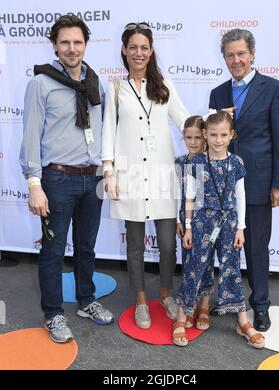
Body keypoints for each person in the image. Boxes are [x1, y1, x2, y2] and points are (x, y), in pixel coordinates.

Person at [19, 15, 114, 343]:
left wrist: (106, 169)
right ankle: (54, 314)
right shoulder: (40, 83)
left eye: (77, 42)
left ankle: (87, 301)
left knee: (87, 247)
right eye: (65, 42)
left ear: (85, 44)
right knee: (53, 250)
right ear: (55, 46)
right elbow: (31, 135)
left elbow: (99, 130)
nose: (72, 49)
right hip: (57, 180)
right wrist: (34, 184)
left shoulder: (94, 81)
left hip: (93, 180)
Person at [101, 22, 190, 329]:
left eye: (144, 47)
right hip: (130, 176)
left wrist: (213, 123)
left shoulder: (164, 84)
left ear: (152, 51)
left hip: (162, 175)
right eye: (133, 47)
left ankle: (165, 293)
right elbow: (108, 132)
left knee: (167, 244)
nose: (139, 53)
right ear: (124, 51)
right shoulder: (115, 89)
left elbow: (184, 119)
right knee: (135, 245)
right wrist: (109, 172)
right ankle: (140, 298)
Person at [209, 29, 279, 332]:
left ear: (252, 54)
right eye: (230, 55)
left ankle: (261, 305)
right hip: (221, 185)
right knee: (223, 247)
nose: (236, 59)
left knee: (256, 247)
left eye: (241, 53)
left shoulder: (274, 89)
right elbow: (213, 140)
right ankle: (228, 299)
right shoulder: (218, 94)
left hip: (257, 182)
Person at [173, 111, 265, 349]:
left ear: (231, 135)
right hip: (202, 222)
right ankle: (182, 316)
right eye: (213, 134)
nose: (218, 140)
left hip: (229, 224)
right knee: (194, 267)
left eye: (224, 134)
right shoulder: (196, 163)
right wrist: (190, 227)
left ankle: (242, 321)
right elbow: (190, 198)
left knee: (231, 268)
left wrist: (241, 228)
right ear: (205, 134)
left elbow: (241, 196)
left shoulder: (236, 163)